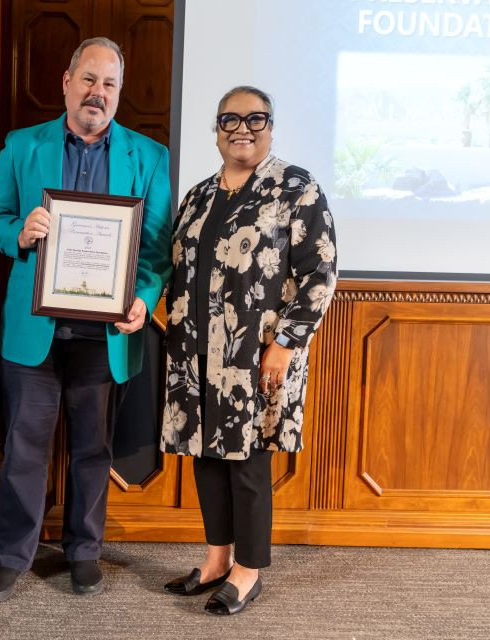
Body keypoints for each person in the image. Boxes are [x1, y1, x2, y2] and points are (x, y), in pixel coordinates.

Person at [0, 37, 172, 602]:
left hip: (104, 334)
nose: (98, 93)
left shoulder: (149, 157)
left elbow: (156, 249)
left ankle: (84, 550)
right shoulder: (22, 145)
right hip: (35, 330)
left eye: (109, 84)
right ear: (66, 82)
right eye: (89, 80)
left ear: (119, 93)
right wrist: (18, 233)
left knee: (93, 449)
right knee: (24, 447)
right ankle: (15, 552)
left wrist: (144, 297)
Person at [161, 86, 337, 615]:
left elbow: (320, 273)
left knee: (247, 461)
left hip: (257, 356)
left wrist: (285, 345)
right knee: (206, 458)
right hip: (195, 353)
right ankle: (216, 559)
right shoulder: (197, 196)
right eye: (230, 119)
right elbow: (177, 268)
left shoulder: (297, 188)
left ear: (271, 126)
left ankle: (248, 569)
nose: (242, 128)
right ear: (216, 128)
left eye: (255, 118)